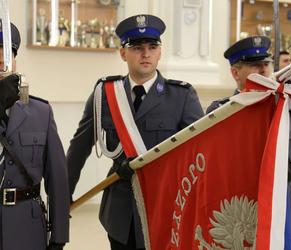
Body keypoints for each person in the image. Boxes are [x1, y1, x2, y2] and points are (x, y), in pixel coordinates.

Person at [67, 14, 204, 250]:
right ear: (123, 53)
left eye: (152, 47)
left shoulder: (182, 96)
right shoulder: (105, 94)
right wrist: (62, 197)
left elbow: (199, 154)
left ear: (160, 52)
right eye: (137, 48)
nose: (146, 54)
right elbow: (78, 150)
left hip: (167, 207)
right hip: (121, 212)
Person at [206, 36, 291, 246]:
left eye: (266, 64)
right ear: (235, 73)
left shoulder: (285, 106)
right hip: (240, 215)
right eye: (254, 66)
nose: (264, 70)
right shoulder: (220, 111)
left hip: (283, 211)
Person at [0, 22, 69, 250]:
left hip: (26, 227)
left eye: (8, 51)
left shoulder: (41, 112)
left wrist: (59, 235)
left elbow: (57, 178)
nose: (1, 57)